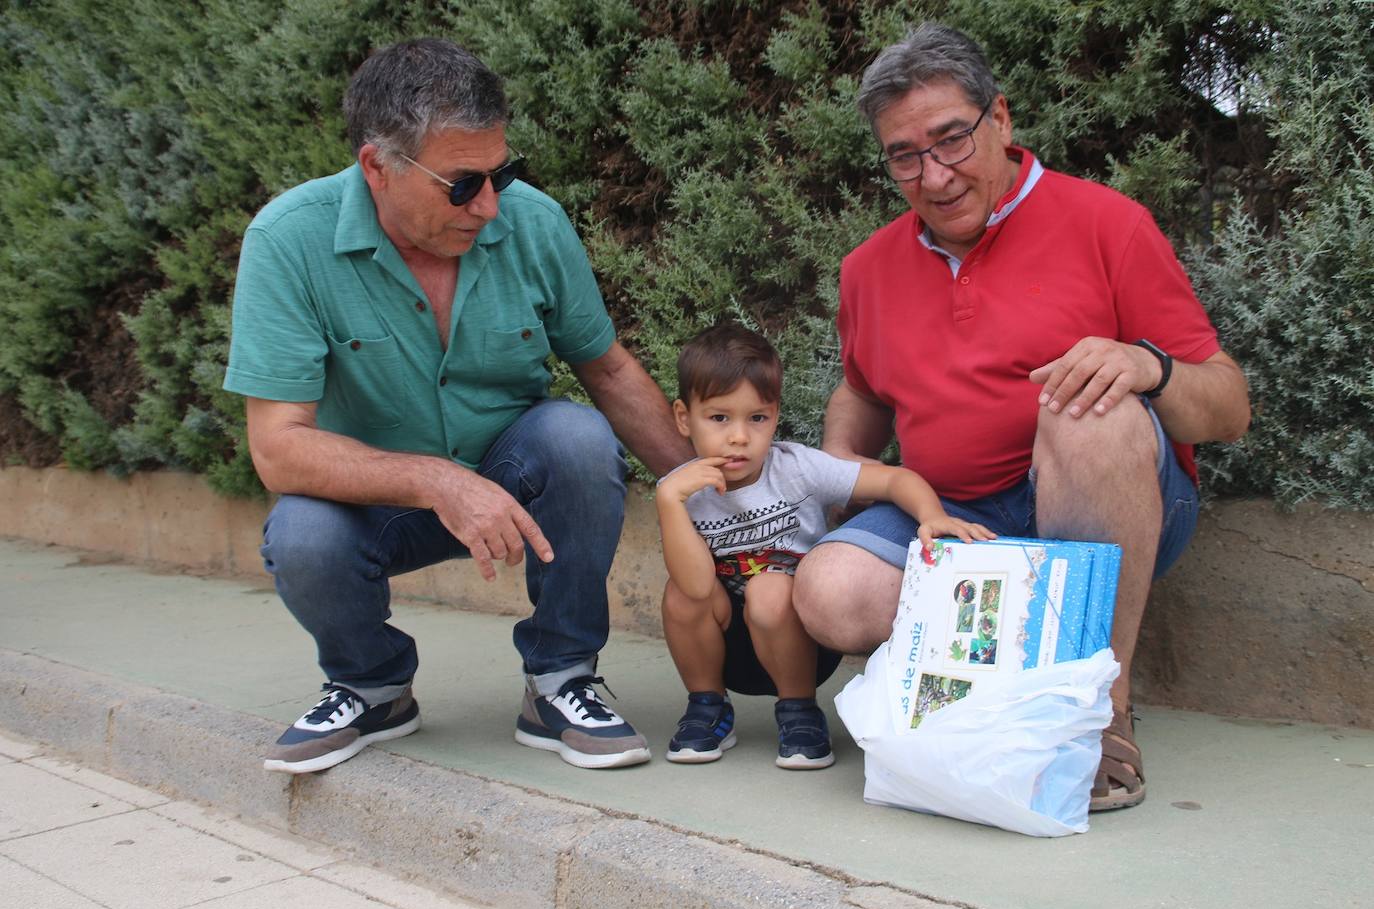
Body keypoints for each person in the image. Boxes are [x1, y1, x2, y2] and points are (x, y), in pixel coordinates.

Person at [792, 23, 1251, 810]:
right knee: (830, 591)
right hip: (953, 517)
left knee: (1089, 410)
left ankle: (1097, 712)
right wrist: (841, 484)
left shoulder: (1107, 223)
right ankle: (981, 686)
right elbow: (863, 392)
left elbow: (1230, 405)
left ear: (999, 118)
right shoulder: (867, 268)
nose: (935, 176)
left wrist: (1149, 366)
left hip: (1105, 500)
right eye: (905, 156)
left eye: (952, 139)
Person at [223, 38, 691, 775]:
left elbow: (607, 369)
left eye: (501, 174)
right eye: (463, 183)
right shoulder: (287, 241)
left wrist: (711, 503)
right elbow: (278, 447)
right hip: (378, 505)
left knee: (576, 437)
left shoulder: (533, 222)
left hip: (511, 479)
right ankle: (372, 685)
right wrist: (437, 482)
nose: (489, 204)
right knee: (302, 532)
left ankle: (561, 679)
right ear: (377, 166)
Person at [655, 324, 992, 768]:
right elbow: (697, 589)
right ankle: (707, 707)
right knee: (680, 594)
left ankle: (799, 711)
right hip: (725, 651)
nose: (739, 436)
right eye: (719, 418)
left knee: (768, 587)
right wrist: (668, 501)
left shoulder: (797, 468)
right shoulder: (680, 491)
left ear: (775, 415)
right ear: (684, 418)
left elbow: (894, 480)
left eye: (757, 418)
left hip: (802, 640)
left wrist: (931, 515)